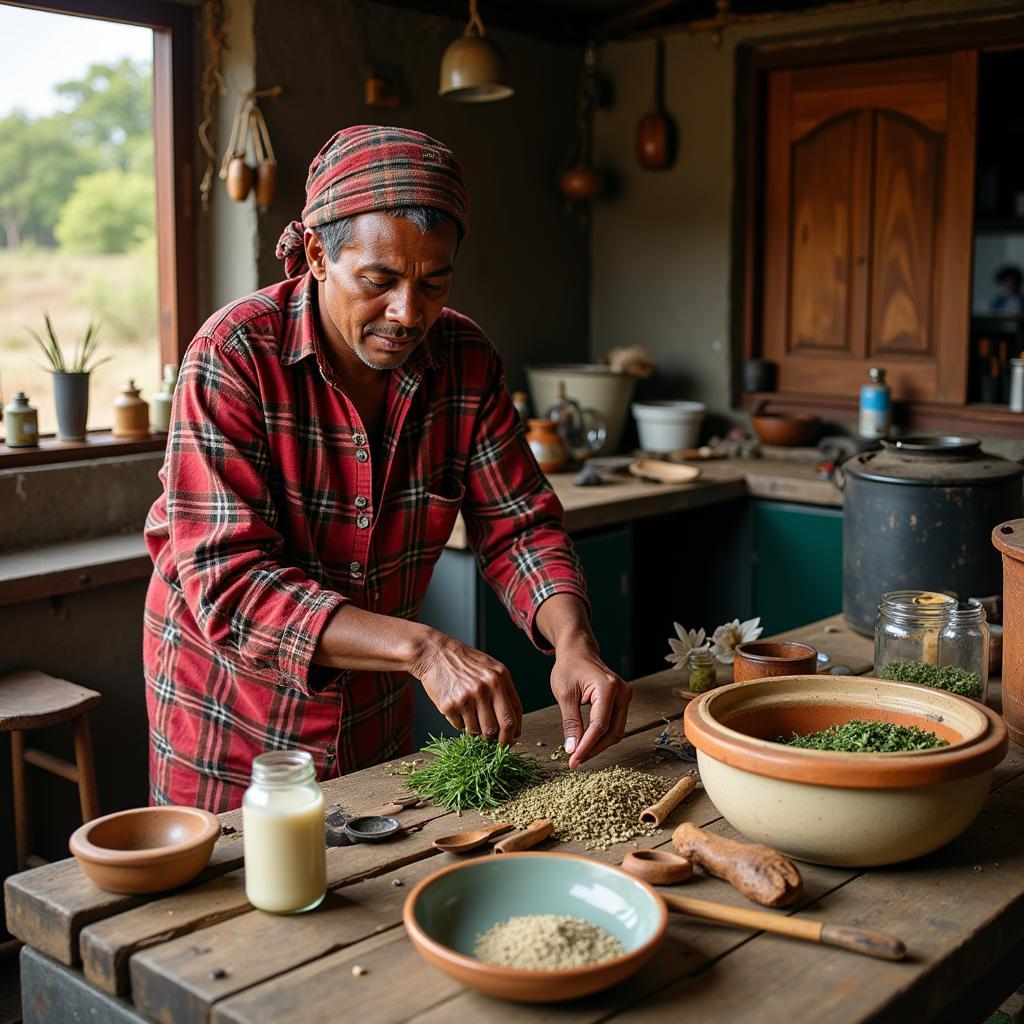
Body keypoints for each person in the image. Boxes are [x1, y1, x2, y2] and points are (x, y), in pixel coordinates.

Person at [143, 125, 631, 811]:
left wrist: (575, 644)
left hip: (373, 718)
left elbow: (518, 527)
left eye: (434, 282)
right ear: (316, 253)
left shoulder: (463, 358)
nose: (409, 314)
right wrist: (424, 650)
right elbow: (231, 585)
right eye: (379, 281)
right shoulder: (233, 355)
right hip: (235, 726)